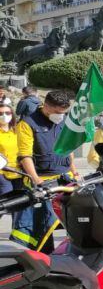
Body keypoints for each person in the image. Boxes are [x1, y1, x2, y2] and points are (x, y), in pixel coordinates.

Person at [12, 90, 75, 252]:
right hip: (42, 180)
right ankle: (37, 256)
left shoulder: (63, 121)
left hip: (64, 179)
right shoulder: (27, 124)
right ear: (46, 106)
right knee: (39, 225)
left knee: (72, 220)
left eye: (64, 113)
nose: (60, 116)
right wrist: (36, 179)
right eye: (57, 112)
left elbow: (69, 148)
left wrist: (74, 172)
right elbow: (25, 155)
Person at [0, 103, 19, 196]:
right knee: (8, 201)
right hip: (2, 173)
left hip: (20, 172)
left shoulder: (18, 130)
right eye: (0, 113)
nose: (4, 116)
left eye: (7, 113)